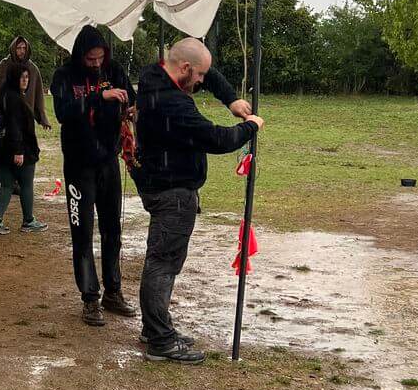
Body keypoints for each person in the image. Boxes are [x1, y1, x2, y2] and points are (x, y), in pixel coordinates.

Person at [133, 38, 263, 363]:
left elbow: (208, 72)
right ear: (186, 68)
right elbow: (216, 139)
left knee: (161, 260)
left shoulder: (154, 76)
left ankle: (154, 329)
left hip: (160, 183)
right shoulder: (173, 104)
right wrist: (249, 127)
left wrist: (231, 98)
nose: (203, 81)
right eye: (200, 75)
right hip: (172, 192)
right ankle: (160, 341)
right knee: (163, 264)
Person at [49, 25, 137, 326]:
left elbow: (131, 99)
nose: (97, 64)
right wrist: (100, 96)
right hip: (78, 165)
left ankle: (113, 291)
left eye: (100, 58)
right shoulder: (64, 76)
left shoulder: (115, 69)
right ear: (80, 56)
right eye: (90, 59)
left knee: (113, 230)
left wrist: (130, 109)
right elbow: (63, 112)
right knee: (82, 233)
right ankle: (90, 298)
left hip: (108, 161)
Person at [0, 34, 50, 197]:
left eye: (24, 48)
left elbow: (37, 94)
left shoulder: (32, 68)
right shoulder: (4, 65)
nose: (21, 51)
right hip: (4, 117)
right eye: (18, 48)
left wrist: (42, 117)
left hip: (23, 118)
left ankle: (15, 183)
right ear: (14, 48)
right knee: (1, 150)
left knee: (21, 149)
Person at [0, 66, 47, 234]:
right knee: (26, 184)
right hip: (19, 149)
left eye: (27, 77)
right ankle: (28, 220)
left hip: (2, 149)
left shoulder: (4, 94)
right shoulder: (14, 98)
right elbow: (15, 127)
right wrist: (19, 151)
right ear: (14, 78)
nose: (25, 80)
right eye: (21, 77)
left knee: (6, 185)